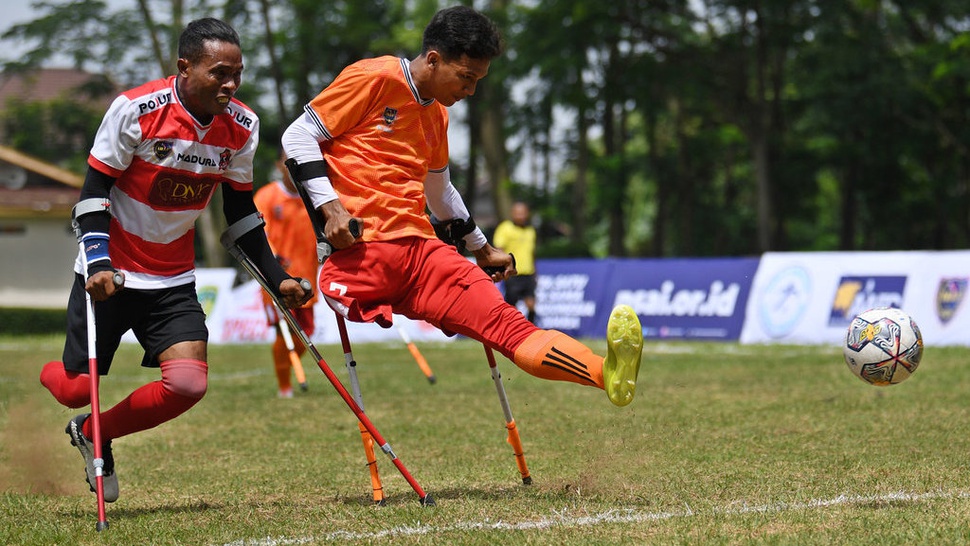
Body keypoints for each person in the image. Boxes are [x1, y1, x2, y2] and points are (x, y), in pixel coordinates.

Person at [281, 6, 642, 410]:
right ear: (433, 59)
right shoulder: (374, 76)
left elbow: (441, 193)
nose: (470, 91)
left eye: (478, 81)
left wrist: (481, 247)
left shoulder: (436, 115)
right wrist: (331, 210)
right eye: (467, 77)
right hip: (365, 253)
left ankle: (604, 372)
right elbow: (297, 137)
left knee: (510, 327)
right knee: (500, 324)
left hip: (424, 253)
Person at [39, 18, 311, 503]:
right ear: (184, 67)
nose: (230, 85)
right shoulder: (136, 110)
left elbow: (240, 212)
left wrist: (278, 278)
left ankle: (94, 432)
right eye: (219, 73)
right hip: (111, 272)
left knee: (187, 383)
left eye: (238, 74)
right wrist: (98, 262)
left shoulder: (242, 127)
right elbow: (93, 193)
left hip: (171, 277)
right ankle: (60, 382)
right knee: (74, 388)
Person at [253, 152, 319, 398]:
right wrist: (272, 259)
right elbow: (259, 235)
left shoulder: (312, 197)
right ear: (278, 165)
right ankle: (285, 386)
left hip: (308, 279)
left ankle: (290, 369)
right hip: (278, 280)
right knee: (286, 333)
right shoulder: (267, 196)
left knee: (306, 334)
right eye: (287, 162)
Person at [493, 201, 538, 324]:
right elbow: (499, 249)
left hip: (528, 273)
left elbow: (532, 253)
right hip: (512, 273)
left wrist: (535, 272)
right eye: (518, 213)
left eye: (523, 213)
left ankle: (532, 330)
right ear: (512, 214)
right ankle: (513, 328)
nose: (521, 216)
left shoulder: (530, 231)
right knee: (512, 305)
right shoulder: (505, 228)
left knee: (531, 304)